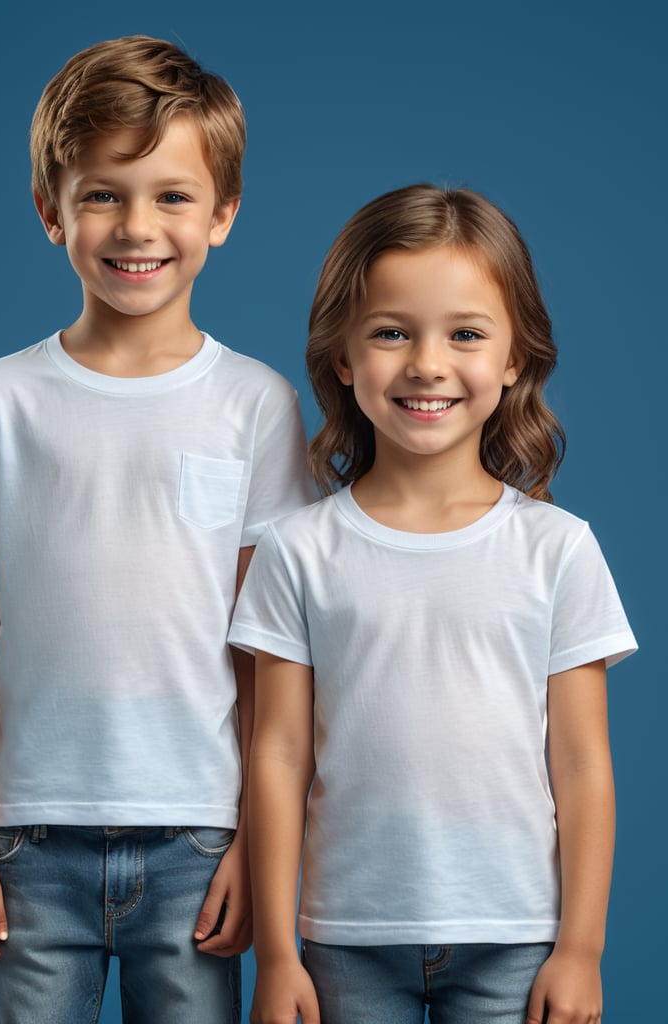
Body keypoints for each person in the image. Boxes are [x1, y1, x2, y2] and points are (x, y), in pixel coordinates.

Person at [0, 35, 314, 1024]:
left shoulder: (255, 404)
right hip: (27, 839)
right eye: (103, 193)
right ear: (51, 210)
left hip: (201, 840)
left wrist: (261, 847)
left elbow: (272, 652)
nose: (138, 226)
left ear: (223, 213)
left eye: (173, 195)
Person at [229, 184, 637, 1024]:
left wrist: (581, 949)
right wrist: (275, 954)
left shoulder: (557, 548)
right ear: (342, 357)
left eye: (465, 334)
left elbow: (582, 767)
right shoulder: (298, 550)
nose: (426, 363)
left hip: (517, 936)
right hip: (343, 936)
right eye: (390, 332)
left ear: (514, 356)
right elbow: (275, 757)